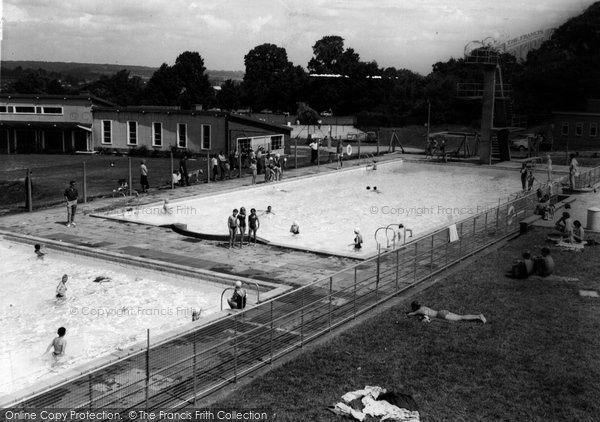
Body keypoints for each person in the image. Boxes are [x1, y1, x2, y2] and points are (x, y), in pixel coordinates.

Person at [406, 301, 486, 323]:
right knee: (460, 316)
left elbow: (410, 314)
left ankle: (478, 316)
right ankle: (477, 316)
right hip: (442, 311)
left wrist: (409, 313)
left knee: (461, 318)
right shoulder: (423, 307)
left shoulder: (419, 310)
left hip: (440, 314)